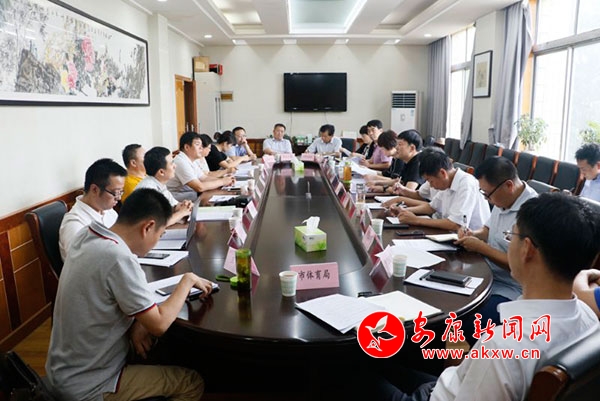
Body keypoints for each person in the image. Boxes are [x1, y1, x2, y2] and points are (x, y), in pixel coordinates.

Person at [361, 193, 600, 401]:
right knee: (380, 361)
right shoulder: (589, 318)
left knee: (351, 371)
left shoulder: (502, 345)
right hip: (451, 383)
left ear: (527, 249)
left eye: (511, 236)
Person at [46, 188, 212, 401]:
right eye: (160, 235)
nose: (157, 241)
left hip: (62, 371)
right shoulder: (118, 257)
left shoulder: (88, 235)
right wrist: (187, 281)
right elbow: (159, 324)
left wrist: (138, 322)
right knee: (191, 382)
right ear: (148, 227)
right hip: (90, 384)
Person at [455, 156, 538, 342]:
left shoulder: (532, 212)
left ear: (508, 185)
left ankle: (479, 356)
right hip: (487, 274)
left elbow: (522, 266)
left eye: (488, 194)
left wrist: (482, 248)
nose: (488, 199)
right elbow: (488, 230)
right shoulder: (503, 199)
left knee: (469, 322)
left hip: (513, 287)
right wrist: (473, 234)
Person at [391, 147, 490, 231]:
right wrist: (404, 211)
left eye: (431, 181)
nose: (431, 186)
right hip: (451, 234)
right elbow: (431, 207)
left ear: (442, 173)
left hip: (471, 240)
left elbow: (456, 225)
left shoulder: (466, 183)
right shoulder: (447, 182)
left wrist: (416, 220)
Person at [59, 158, 126, 261]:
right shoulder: (75, 224)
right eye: (116, 193)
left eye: (121, 192)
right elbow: (84, 264)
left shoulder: (108, 211)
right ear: (94, 189)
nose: (119, 198)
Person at [167, 132, 235, 201]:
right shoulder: (181, 162)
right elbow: (199, 187)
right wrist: (222, 182)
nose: (201, 148)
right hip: (179, 200)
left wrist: (225, 180)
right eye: (197, 145)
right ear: (187, 147)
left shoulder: (191, 160)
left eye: (201, 145)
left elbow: (204, 178)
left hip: (191, 196)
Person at [134, 147, 193, 226]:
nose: (175, 166)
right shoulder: (148, 189)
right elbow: (157, 223)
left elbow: (174, 206)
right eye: (172, 163)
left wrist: (185, 205)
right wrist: (181, 213)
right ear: (161, 172)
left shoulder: (160, 184)